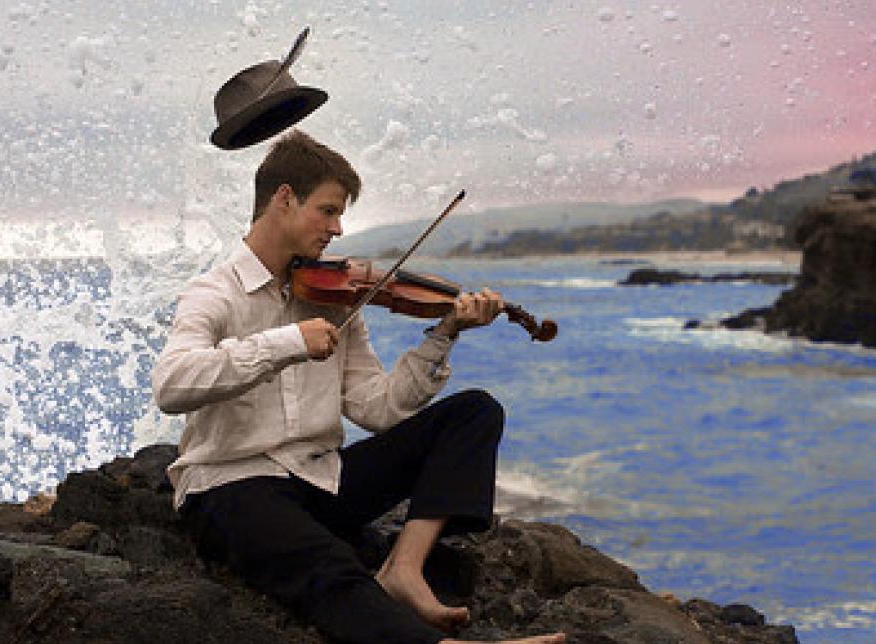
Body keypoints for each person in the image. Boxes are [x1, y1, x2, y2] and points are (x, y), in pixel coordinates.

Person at [152, 130, 566, 644]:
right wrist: (287, 342)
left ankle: (404, 569)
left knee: (474, 413)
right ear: (284, 198)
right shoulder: (214, 293)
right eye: (327, 211)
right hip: (231, 485)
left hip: (321, 478)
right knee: (327, 564)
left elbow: (380, 408)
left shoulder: (335, 298)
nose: (337, 228)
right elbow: (171, 383)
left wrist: (444, 334)